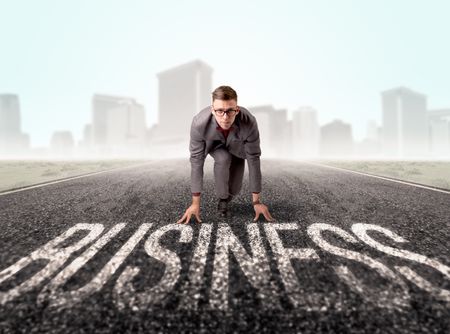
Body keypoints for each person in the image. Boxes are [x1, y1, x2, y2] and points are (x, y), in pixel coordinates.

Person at [177, 85, 274, 224]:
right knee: (223, 159)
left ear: (237, 109)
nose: (225, 117)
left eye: (230, 111)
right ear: (212, 110)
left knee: (235, 189)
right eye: (220, 111)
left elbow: (253, 159)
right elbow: (197, 160)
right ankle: (223, 200)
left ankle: (228, 196)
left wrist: (256, 202)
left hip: (237, 148)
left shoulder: (249, 122)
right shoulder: (199, 123)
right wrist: (195, 203)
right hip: (215, 145)